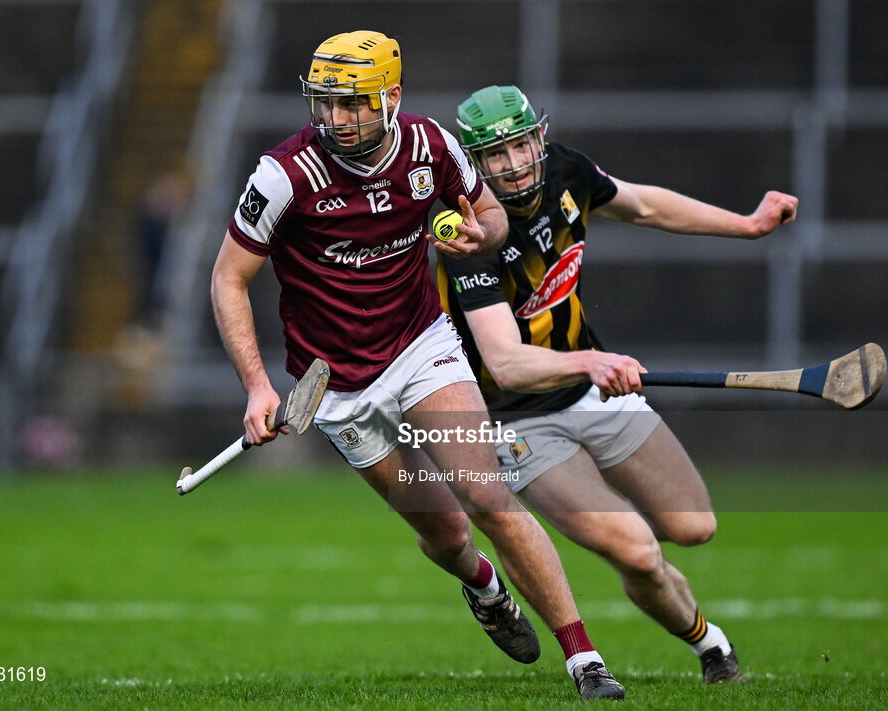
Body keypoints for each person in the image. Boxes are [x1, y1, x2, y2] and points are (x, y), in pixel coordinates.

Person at [212, 34, 625, 700]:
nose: (336, 119)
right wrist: (257, 385)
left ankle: (584, 658)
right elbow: (228, 278)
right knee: (445, 529)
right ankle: (484, 587)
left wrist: (477, 235)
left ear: (391, 98)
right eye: (326, 104)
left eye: (353, 104)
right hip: (335, 384)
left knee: (488, 497)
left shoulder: (431, 146)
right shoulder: (284, 175)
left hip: (420, 347)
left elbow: (489, 215)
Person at [436, 84, 799, 684]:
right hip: (518, 421)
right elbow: (504, 362)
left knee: (693, 527)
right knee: (636, 549)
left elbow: (645, 205)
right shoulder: (469, 235)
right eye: (494, 155)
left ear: (539, 138)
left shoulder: (567, 172)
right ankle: (710, 644)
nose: (512, 165)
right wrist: (590, 365)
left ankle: (662, 581)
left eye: (520, 146)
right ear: (474, 166)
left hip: (593, 393)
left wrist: (748, 225)